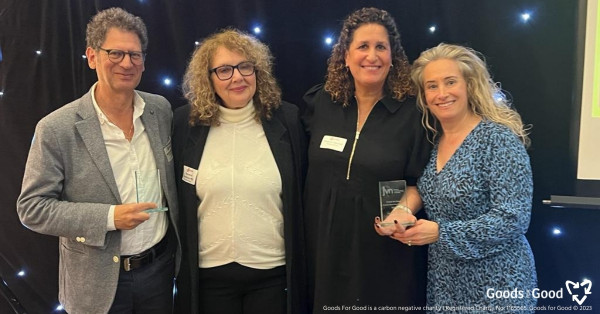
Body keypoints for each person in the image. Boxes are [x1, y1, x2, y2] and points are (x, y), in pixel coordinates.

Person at [16, 7, 180, 314]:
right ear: (92, 57)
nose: (127, 63)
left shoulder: (161, 111)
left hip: (160, 273)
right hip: (96, 284)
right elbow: (32, 209)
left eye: (135, 54)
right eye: (116, 53)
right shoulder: (56, 128)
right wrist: (109, 218)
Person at [389, 43, 537, 311]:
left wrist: (441, 233)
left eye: (450, 82)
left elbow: (514, 218)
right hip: (446, 282)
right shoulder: (431, 142)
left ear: (469, 85)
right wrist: (401, 212)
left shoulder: (498, 140)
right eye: (432, 86)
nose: (441, 93)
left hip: (498, 283)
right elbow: (431, 190)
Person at [302, 7, 431, 311]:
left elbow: (423, 182)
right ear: (345, 57)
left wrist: (403, 209)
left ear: (393, 57)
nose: (372, 56)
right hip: (323, 247)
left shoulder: (413, 114)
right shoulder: (320, 103)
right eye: (363, 46)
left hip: (382, 250)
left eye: (380, 47)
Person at [172, 29, 308, 314]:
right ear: (208, 78)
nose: (237, 77)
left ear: (257, 71)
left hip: (272, 274)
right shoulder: (185, 124)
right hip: (209, 278)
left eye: (245, 66)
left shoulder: (288, 119)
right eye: (224, 70)